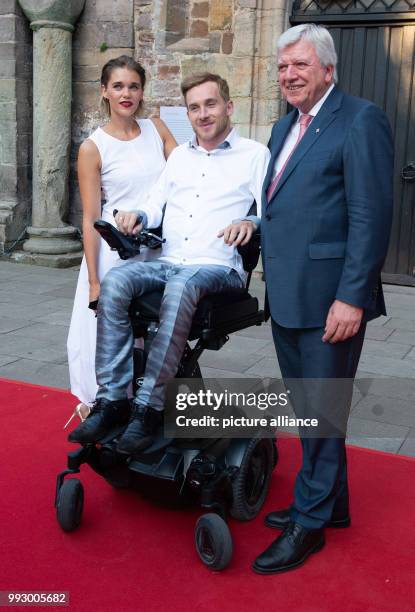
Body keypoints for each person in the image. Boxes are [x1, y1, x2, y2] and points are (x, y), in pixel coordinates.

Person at [67, 72, 270, 454]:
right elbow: (153, 205)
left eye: (210, 104)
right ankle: (113, 401)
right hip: (172, 259)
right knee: (118, 280)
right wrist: (136, 216)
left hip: (218, 267)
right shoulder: (179, 158)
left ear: (228, 107)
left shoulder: (255, 155)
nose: (203, 114)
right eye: (195, 107)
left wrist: (251, 221)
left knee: (182, 285)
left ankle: (148, 408)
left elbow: (271, 211)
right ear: (188, 114)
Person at [253, 24, 393, 574]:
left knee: (322, 411)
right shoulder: (283, 127)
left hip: (332, 301)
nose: (289, 75)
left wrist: (352, 298)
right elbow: (278, 205)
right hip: (287, 294)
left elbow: (370, 215)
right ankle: (330, 505)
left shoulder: (359, 119)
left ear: (328, 70)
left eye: (300, 66)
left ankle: (306, 526)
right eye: (283, 67)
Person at [66, 55, 177, 427]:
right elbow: (89, 217)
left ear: (142, 90)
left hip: (157, 252)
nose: (126, 93)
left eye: (133, 85)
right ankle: (103, 407)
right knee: (107, 337)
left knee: (154, 337)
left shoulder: (157, 129)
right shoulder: (93, 147)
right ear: (104, 91)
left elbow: (187, 178)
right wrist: (95, 282)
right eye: (118, 86)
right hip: (114, 256)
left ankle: (146, 409)